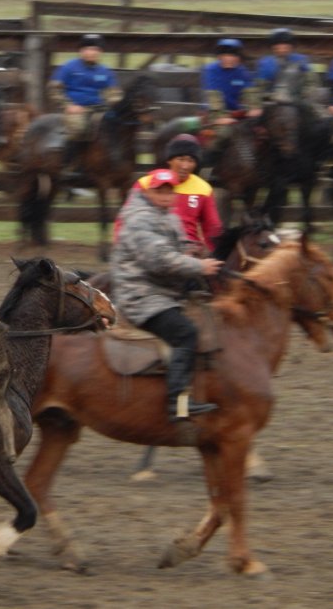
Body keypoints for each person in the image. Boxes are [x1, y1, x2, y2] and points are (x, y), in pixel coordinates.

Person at [111, 168, 223, 421]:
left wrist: (193, 251)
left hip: (163, 292)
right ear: (148, 192)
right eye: (159, 190)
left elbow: (176, 249)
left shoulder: (169, 217)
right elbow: (159, 260)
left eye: (169, 191)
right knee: (186, 333)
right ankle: (177, 401)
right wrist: (199, 267)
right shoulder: (139, 220)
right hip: (141, 296)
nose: (164, 195)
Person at [115, 134, 222, 253]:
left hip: (189, 251)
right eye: (180, 159)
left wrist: (215, 254)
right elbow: (124, 220)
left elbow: (213, 227)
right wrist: (120, 248)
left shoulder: (203, 189)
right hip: (152, 249)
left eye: (191, 161)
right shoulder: (146, 183)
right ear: (169, 160)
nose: (185, 166)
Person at [48, 33, 121, 168]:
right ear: (81, 51)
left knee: (115, 125)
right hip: (76, 109)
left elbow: (114, 93)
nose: (91, 52)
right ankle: (68, 163)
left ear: (100, 52)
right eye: (87, 49)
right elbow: (54, 89)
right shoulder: (68, 67)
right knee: (79, 129)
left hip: (99, 109)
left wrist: (111, 103)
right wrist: (68, 105)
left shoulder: (105, 71)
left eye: (95, 49)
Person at [201, 38, 262, 167]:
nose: (229, 59)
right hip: (215, 113)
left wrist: (254, 107)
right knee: (224, 134)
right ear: (219, 57)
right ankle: (209, 165)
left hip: (237, 113)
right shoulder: (211, 71)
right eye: (226, 55)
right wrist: (220, 117)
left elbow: (250, 91)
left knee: (260, 132)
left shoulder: (242, 72)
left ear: (238, 58)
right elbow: (213, 96)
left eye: (233, 55)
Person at [255, 28, 318, 104]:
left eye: (285, 47)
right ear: (273, 48)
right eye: (278, 48)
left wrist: (305, 94)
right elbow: (259, 89)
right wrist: (271, 96)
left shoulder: (301, 60)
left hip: (299, 99)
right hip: (273, 101)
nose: (282, 50)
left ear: (291, 47)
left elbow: (312, 82)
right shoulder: (265, 63)